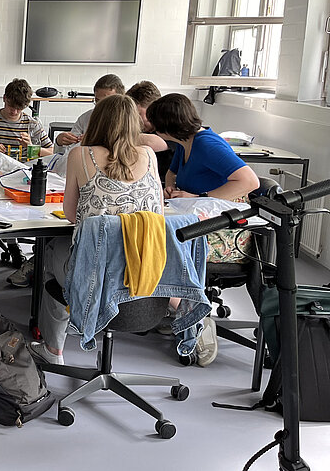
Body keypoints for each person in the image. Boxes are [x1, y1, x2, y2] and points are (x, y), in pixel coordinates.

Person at [28, 95, 165, 366]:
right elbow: (158, 211)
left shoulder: (81, 154)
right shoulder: (149, 155)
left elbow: (71, 214)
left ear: (97, 121)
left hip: (95, 274)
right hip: (143, 272)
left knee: (50, 252)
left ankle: (54, 348)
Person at [147, 93, 259, 269]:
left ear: (167, 127)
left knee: (156, 247)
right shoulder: (185, 142)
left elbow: (250, 181)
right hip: (202, 219)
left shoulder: (206, 145)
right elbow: (171, 173)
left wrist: (200, 197)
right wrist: (170, 188)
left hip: (224, 229)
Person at [0, 78, 52, 158]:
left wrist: (31, 148)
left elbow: (52, 151)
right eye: (11, 106)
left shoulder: (32, 124)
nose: (14, 112)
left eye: (19, 108)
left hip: (23, 165)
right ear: (4, 98)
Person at [56, 74, 125, 148]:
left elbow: (126, 148)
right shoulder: (85, 118)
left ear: (120, 100)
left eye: (106, 102)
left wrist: (93, 142)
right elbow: (68, 150)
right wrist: (59, 142)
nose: (100, 106)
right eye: (97, 100)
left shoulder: (128, 121)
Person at [126, 80, 173, 183]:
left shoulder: (169, 126)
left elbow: (157, 143)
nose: (135, 120)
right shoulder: (135, 129)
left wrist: (116, 137)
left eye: (138, 114)